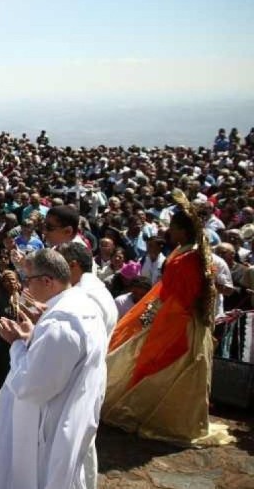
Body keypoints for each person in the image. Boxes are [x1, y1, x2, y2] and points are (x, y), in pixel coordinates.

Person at [101, 190, 234, 446]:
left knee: (163, 362)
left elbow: (184, 294)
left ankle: (160, 416)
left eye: (173, 227)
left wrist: (160, 313)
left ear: (184, 231)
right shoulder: (187, 251)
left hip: (179, 319)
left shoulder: (188, 257)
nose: (169, 231)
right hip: (172, 313)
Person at [0, 250, 107, 489]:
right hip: (70, 412)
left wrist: (16, 343)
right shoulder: (83, 306)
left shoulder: (60, 322)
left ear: (47, 281)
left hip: (49, 425)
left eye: (28, 279)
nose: (25, 285)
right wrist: (33, 336)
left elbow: (32, 386)